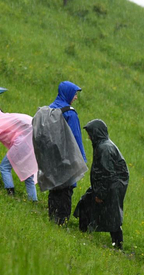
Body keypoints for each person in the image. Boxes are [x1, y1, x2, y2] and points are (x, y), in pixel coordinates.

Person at [79, 119, 129, 248]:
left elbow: (107, 173)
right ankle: (83, 232)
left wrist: (100, 193)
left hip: (111, 186)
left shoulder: (104, 148)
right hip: (110, 185)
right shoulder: (102, 145)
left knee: (112, 216)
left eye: (90, 133)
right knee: (86, 203)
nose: (88, 137)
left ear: (96, 133)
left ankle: (118, 245)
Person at [47, 81, 84, 224]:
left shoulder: (50, 109)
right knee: (65, 192)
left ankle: (52, 220)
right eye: (74, 94)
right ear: (68, 93)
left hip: (51, 159)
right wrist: (80, 160)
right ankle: (61, 223)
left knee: (54, 191)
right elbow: (75, 139)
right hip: (66, 161)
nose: (75, 97)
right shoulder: (70, 113)